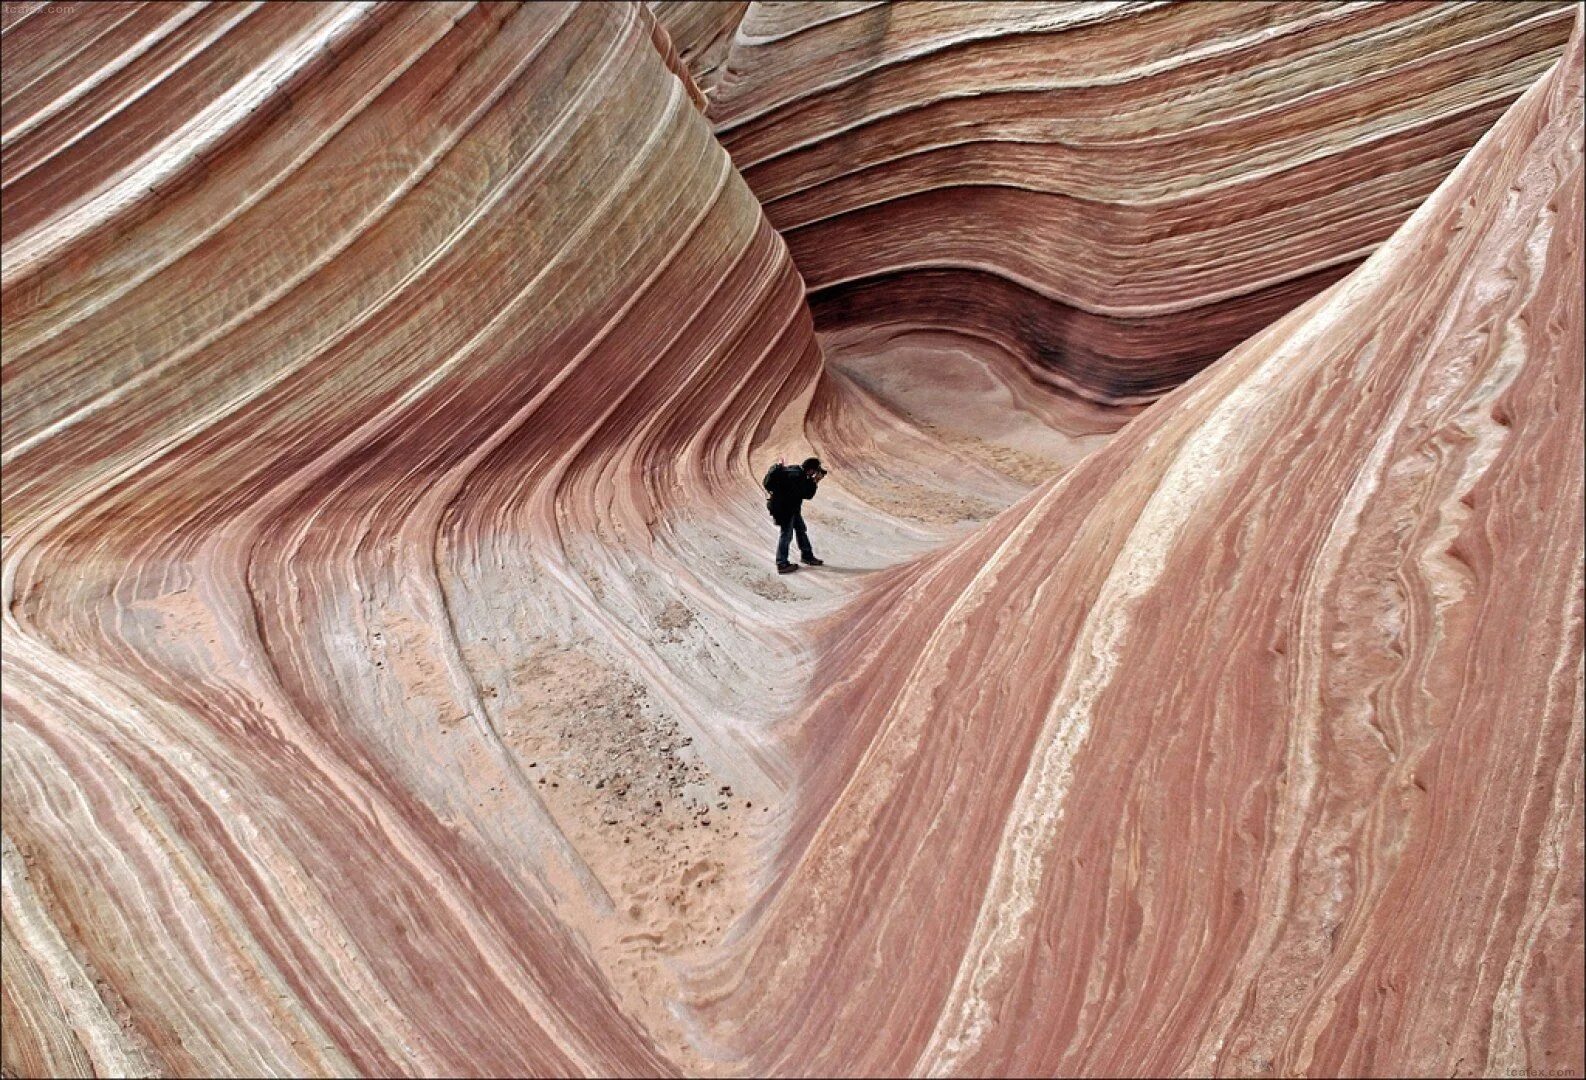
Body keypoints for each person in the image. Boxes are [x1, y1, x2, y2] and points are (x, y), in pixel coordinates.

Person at [763, 456, 827, 574]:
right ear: (811, 470)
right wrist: (815, 481)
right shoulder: (799, 477)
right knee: (786, 535)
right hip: (785, 509)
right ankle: (782, 564)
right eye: (816, 471)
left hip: (790, 508)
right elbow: (808, 494)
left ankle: (807, 556)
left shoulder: (795, 470)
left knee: (800, 529)